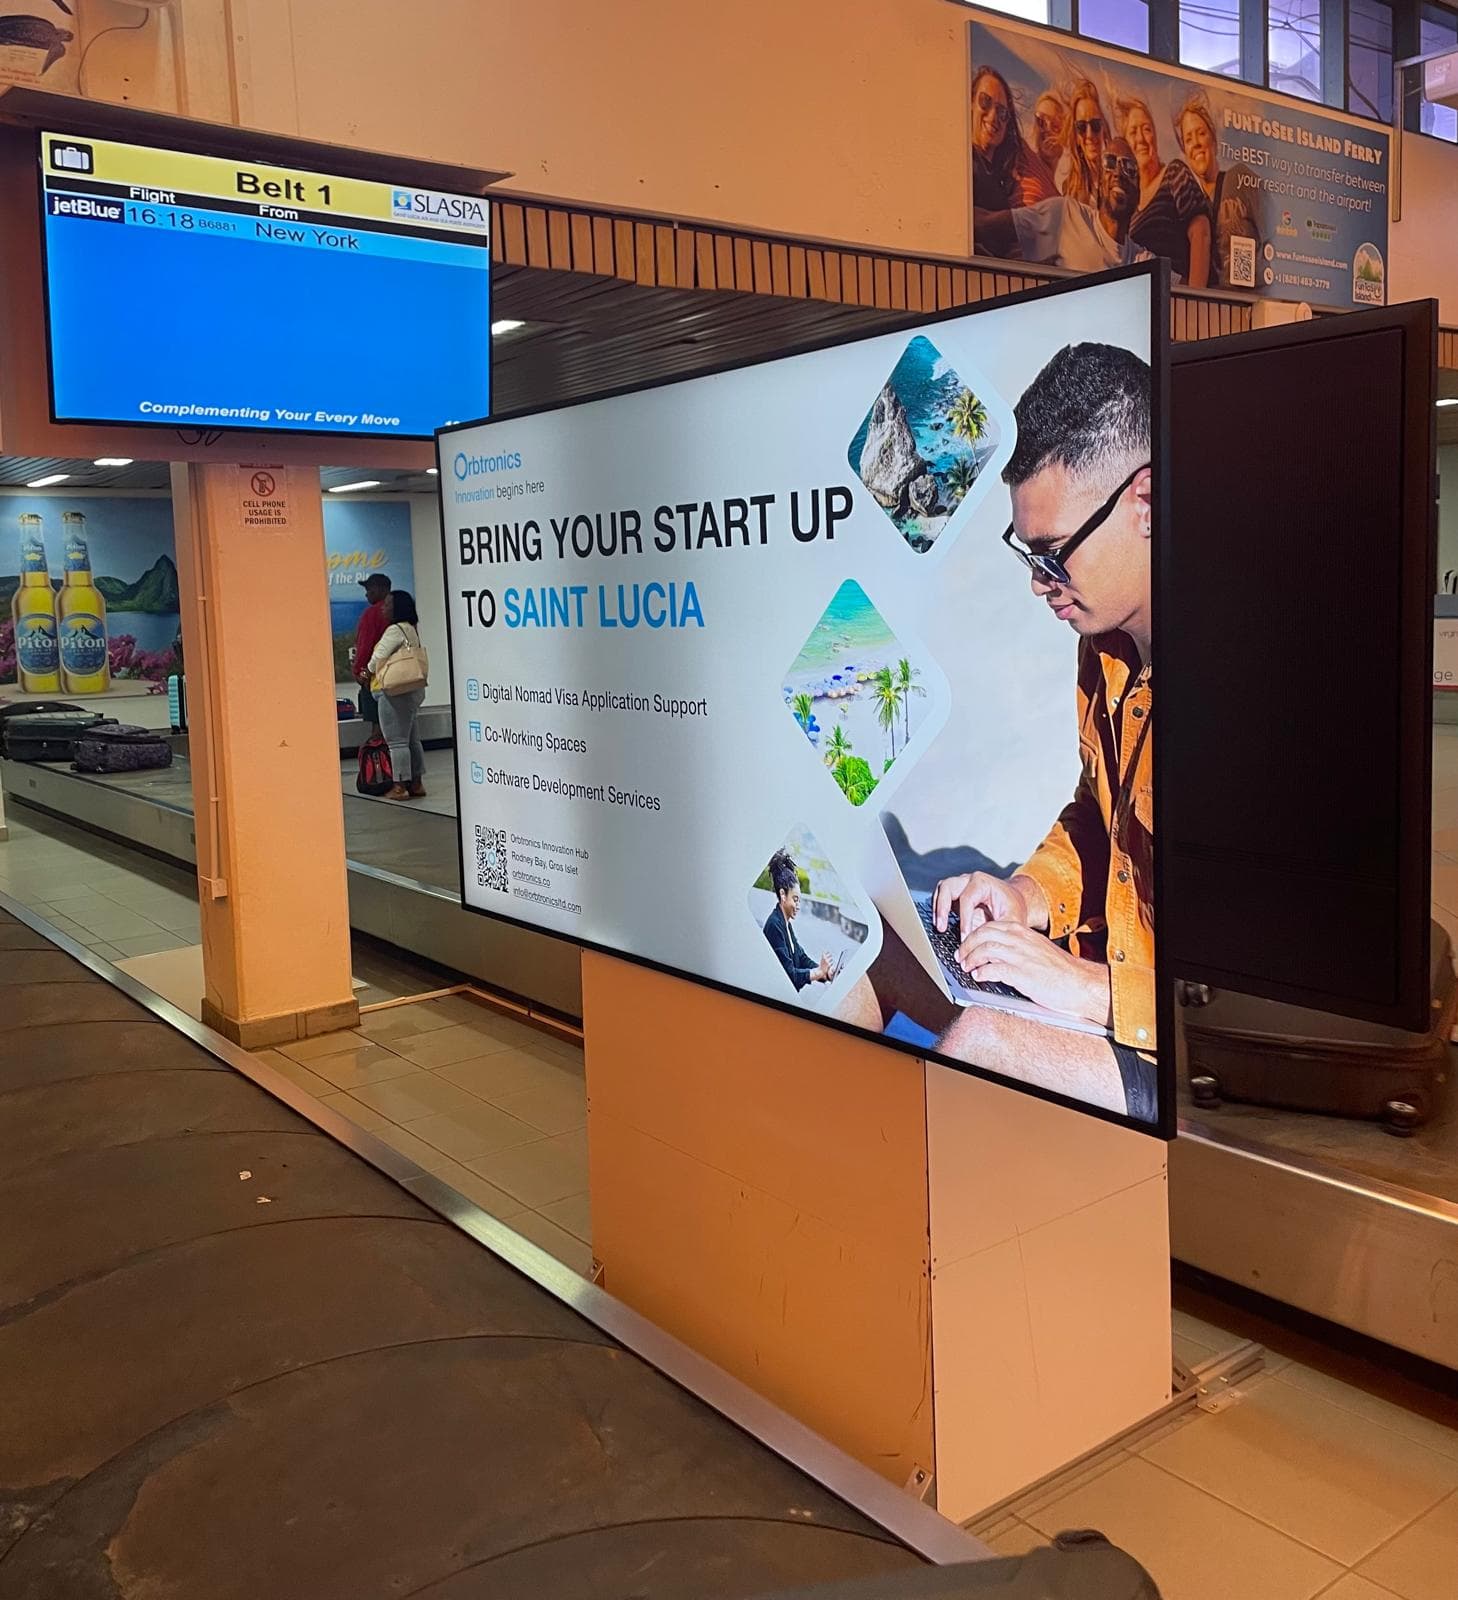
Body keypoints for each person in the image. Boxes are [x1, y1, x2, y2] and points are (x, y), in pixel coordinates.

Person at [838, 343, 1156, 1122]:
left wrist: (1088, 987)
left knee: (985, 1040)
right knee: (862, 946)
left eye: (1053, 556)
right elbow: (1100, 822)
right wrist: (1022, 897)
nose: (1039, 584)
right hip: (1106, 990)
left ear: (1145, 501)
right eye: (1028, 555)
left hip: (1184, 1045)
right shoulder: (1107, 648)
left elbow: (1259, 977)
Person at [975, 137, 1152, 274]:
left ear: (1138, 194)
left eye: (1129, 167)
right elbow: (989, 224)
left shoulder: (1141, 260)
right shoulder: (1066, 215)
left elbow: (1178, 292)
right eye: (1110, 163)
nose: (1118, 173)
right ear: (1100, 184)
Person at [1119, 96, 1210, 287]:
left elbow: (1201, 233)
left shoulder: (1174, 174)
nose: (1141, 139)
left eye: (1146, 129)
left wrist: (1195, 298)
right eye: (1133, 132)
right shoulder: (1131, 206)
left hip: (1179, 299)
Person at [1175, 93, 1261, 289]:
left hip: (1249, 303)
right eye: (1188, 139)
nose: (1195, 142)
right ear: (1185, 151)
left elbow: (1276, 232)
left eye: (1201, 133)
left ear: (1213, 140)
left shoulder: (1240, 180)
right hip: (1213, 309)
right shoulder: (1192, 207)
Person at [971, 64, 1055, 219]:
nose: (993, 116)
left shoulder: (1003, 173)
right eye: (985, 101)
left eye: (1002, 112)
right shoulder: (964, 162)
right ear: (971, 103)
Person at [367, 589, 428, 802]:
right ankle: (417, 782)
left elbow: (376, 660)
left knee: (396, 742)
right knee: (412, 739)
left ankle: (399, 786)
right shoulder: (411, 629)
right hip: (413, 690)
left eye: (388, 604)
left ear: (396, 608)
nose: (383, 608)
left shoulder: (394, 630)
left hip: (394, 691)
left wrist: (367, 668)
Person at [762, 850, 833, 992]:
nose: (798, 906)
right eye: (795, 899)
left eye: (799, 900)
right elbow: (789, 976)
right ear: (783, 895)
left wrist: (825, 972)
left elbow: (801, 958)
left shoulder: (785, 923)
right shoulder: (774, 925)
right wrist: (818, 972)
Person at [352, 571, 391, 736]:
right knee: (404, 734)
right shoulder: (402, 612)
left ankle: (380, 762)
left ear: (382, 589)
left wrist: (359, 672)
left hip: (374, 678)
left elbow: (365, 647)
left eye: (370, 589)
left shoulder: (371, 614)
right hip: (400, 679)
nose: (366, 593)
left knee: (378, 728)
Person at [1061, 79, 1108, 206]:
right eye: (1081, 126)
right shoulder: (1069, 188)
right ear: (1075, 136)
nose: (1089, 135)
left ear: (1103, 128)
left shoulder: (1115, 179)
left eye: (1095, 125)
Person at [1033, 90, 1068, 179]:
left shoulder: (1055, 187)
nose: (1047, 129)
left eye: (1056, 124)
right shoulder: (1023, 166)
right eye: (1041, 121)